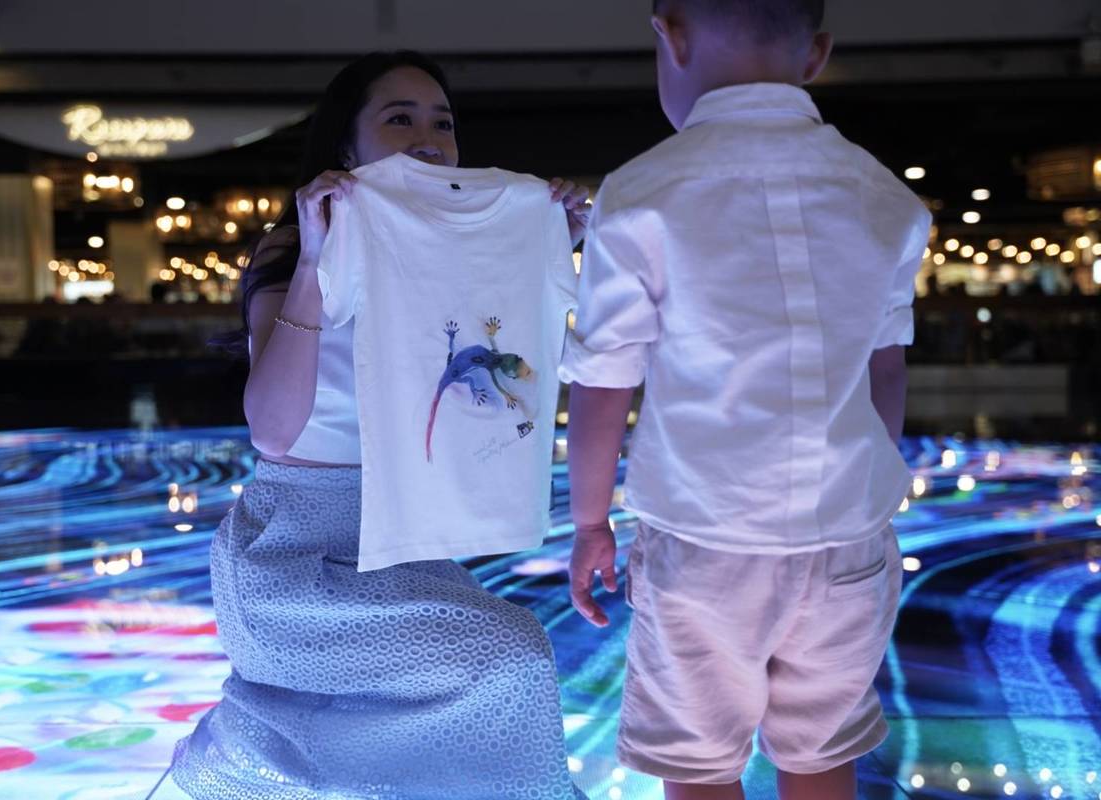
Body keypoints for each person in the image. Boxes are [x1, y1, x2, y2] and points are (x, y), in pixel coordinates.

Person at [169, 51, 590, 799]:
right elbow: (272, 429)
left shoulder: (468, 245)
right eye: (400, 118)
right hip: (296, 557)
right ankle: (247, 769)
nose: (429, 137)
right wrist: (313, 263)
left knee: (494, 674)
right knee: (511, 656)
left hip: (404, 538)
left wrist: (559, 241)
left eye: (442, 121)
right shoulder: (294, 247)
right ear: (345, 146)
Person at [560, 2, 932, 800]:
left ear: (671, 33)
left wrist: (591, 524)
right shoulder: (883, 196)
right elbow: (887, 372)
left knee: (698, 767)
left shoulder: (644, 193)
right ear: (817, 54)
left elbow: (602, 385)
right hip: (849, 541)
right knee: (821, 755)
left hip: (705, 538)